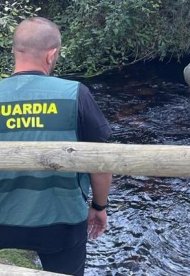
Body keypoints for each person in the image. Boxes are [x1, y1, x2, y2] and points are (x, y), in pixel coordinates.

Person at [0, 17, 112, 276]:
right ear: (51, 55)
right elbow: (102, 160)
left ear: (15, 50)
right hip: (61, 223)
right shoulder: (76, 94)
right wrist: (99, 207)